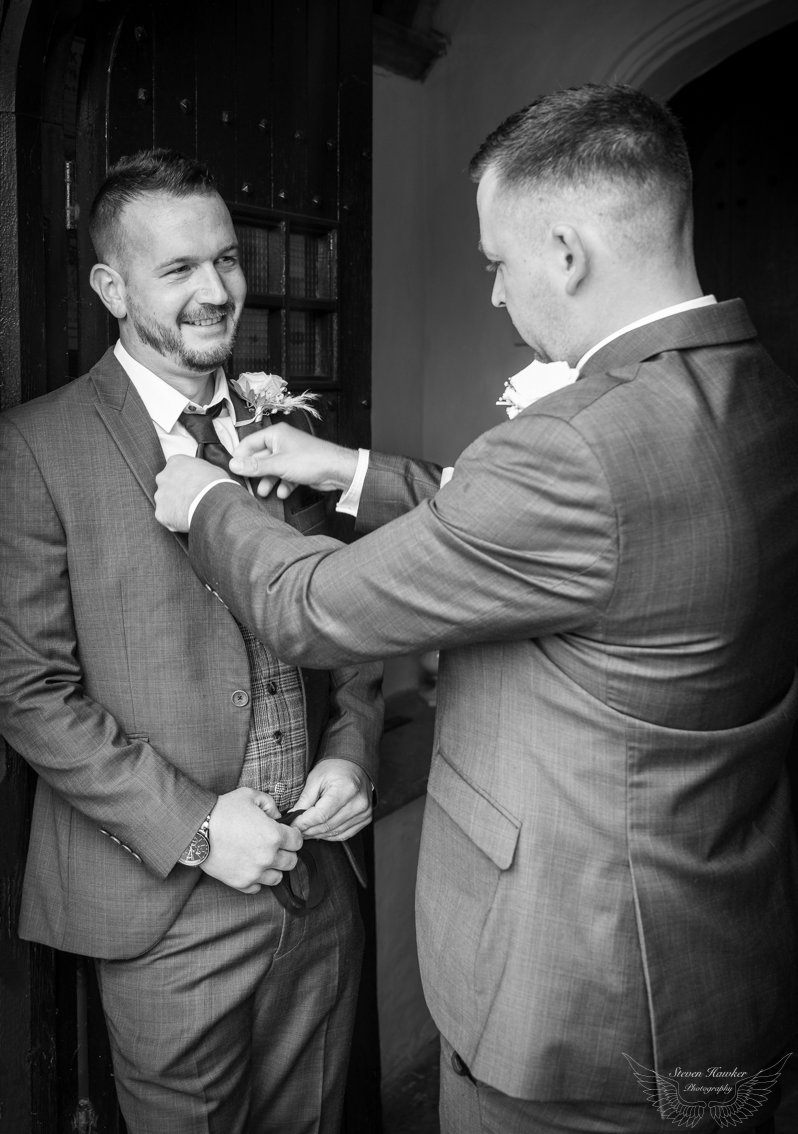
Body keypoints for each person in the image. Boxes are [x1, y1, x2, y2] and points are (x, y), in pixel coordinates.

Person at [155, 84, 798, 1134]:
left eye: (498, 263)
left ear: (567, 250)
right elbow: (582, 537)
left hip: (579, 1005)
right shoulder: (755, 391)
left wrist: (208, 499)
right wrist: (352, 469)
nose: (495, 296)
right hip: (716, 961)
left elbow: (309, 606)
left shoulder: (580, 446)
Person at [0, 148, 382, 1134]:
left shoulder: (287, 425)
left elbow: (350, 614)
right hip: (165, 900)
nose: (217, 290)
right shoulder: (37, 446)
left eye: (227, 260)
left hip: (320, 879)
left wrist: (352, 749)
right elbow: (29, 691)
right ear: (111, 285)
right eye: (179, 270)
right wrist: (205, 831)